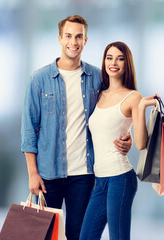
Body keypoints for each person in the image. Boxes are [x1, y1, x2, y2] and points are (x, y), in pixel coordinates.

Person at [21, 15, 132, 240]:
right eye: (69, 36)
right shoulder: (39, 80)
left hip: (83, 174)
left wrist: (127, 132)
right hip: (47, 174)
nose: (74, 41)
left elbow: (114, 106)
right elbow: (28, 131)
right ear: (60, 39)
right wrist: (33, 173)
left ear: (86, 40)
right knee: (43, 234)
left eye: (79, 36)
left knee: (78, 235)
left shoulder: (96, 78)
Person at [79, 41, 159, 240]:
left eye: (120, 58)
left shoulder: (133, 97)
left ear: (127, 64)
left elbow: (141, 144)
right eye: (109, 57)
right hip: (100, 181)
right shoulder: (98, 94)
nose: (113, 62)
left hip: (120, 178)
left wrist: (141, 107)